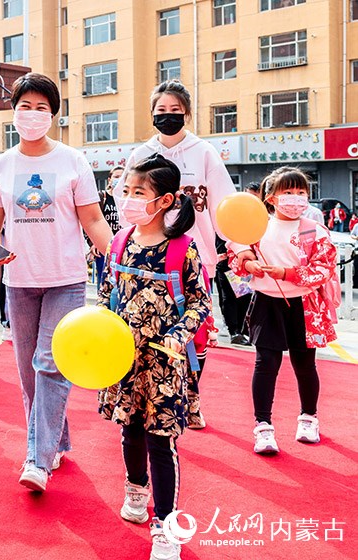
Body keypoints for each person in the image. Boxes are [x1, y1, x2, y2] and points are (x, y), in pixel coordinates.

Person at [0, 72, 113, 492]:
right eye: (25, 107)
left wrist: (121, 259)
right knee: (28, 373)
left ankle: (37, 460)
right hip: (19, 281)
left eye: (42, 108)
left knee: (49, 364)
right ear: (13, 112)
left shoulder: (72, 161)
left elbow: (93, 218)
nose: (33, 114)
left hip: (66, 279)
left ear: (53, 115)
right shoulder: (2, 165)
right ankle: (57, 441)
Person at [98, 154, 209, 560]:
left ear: (165, 201)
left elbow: (200, 303)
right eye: (126, 190)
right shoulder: (120, 241)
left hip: (165, 363)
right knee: (129, 429)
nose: (128, 199)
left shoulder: (183, 249)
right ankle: (135, 488)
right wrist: (100, 326)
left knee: (161, 442)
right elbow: (107, 290)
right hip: (124, 359)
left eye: (138, 192)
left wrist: (179, 336)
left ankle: (165, 525)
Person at [118, 80, 235, 430]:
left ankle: (191, 395)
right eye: (161, 110)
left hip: (195, 258)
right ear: (152, 113)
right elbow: (126, 204)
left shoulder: (204, 152)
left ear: (186, 113)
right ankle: (150, 399)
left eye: (175, 110)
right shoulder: (141, 154)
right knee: (151, 334)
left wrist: (238, 246)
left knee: (195, 334)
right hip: (148, 260)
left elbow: (224, 203)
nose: (167, 116)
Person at [230, 167, 338, 455]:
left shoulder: (314, 230)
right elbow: (236, 258)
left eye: (301, 192)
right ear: (271, 198)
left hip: (305, 306)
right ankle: (263, 427)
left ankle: (309, 418)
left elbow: (323, 269)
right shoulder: (256, 228)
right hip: (267, 303)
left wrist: (287, 273)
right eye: (288, 192)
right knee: (266, 363)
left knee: (305, 364)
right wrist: (247, 263)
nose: (296, 198)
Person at [214, 235, 251, 345]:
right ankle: (234, 332)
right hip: (226, 262)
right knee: (230, 297)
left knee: (243, 297)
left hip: (241, 263)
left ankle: (240, 330)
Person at [92, 165, 124, 284]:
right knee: (104, 280)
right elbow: (91, 220)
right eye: (116, 177)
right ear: (109, 179)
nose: (119, 180)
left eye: (122, 177)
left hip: (123, 245)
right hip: (104, 245)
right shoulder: (102, 197)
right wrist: (93, 242)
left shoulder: (126, 199)